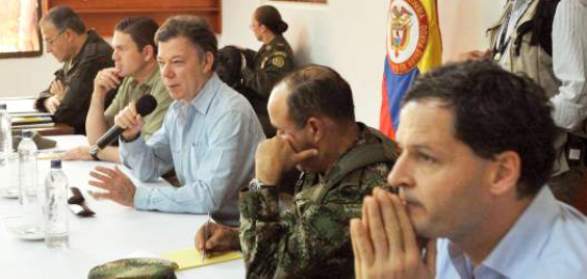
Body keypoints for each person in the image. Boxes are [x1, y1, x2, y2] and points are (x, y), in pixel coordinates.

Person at [351, 61, 587, 279]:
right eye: (402, 152)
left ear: (502, 173)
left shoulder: (571, 270)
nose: (395, 176)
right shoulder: (449, 233)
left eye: (425, 157)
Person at [195, 65, 398, 278]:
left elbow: (264, 273)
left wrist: (263, 183)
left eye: (282, 130)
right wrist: (236, 238)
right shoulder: (332, 153)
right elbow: (301, 233)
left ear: (314, 129)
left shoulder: (360, 193)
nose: (275, 141)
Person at [86, 16, 265, 226]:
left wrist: (137, 197)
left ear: (206, 62)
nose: (166, 73)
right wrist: (132, 137)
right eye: (161, 63)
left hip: (236, 236)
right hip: (197, 224)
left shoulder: (231, 112)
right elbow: (148, 169)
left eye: (177, 62)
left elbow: (208, 198)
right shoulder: (179, 107)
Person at [462, 0, 587, 205]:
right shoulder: (513, 8)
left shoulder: (566, 6)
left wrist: (522, 113)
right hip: (512, 165)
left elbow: (576, 103)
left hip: (551, 173)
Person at [62, 16, 173, 163]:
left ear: (146, 53)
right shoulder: (130, 80)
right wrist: (98, 93)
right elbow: (98, 139)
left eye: (121, 49)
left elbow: (146, 154)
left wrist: (95, 152)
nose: (114, 56)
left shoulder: (166, 84)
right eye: (114, 49)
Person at [35, 5, 113, 134]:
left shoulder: (94, 58)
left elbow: (66, 114)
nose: (48, 49)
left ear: (68, 35)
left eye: (50, 41)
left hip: (94, 138)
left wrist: (60, 101)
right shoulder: (73, 57)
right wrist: (49, 100)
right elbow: (46, 93)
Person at [242, 5, 295, 137]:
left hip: (269, 112)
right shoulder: (270, 46)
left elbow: (267, 87)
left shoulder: (279, 53)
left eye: (253, 25)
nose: (252, 29)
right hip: (261, 106)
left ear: (263, 28)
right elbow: (260, 61)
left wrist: (243, 69)